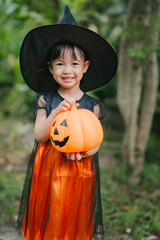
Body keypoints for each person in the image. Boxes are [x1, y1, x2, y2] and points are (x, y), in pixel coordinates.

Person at [17, 3, 117, 240]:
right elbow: (40, 135)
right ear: (50, 69)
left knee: (74, 216)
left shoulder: (92, 105)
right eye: (60, 64)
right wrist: (55, 114)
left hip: (79, 170)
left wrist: (85, 153)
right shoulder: (46, 99)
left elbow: (95, 142)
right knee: (51, 215)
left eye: (74, 63)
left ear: (85, 67)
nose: (67, 70)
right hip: (49, 171)